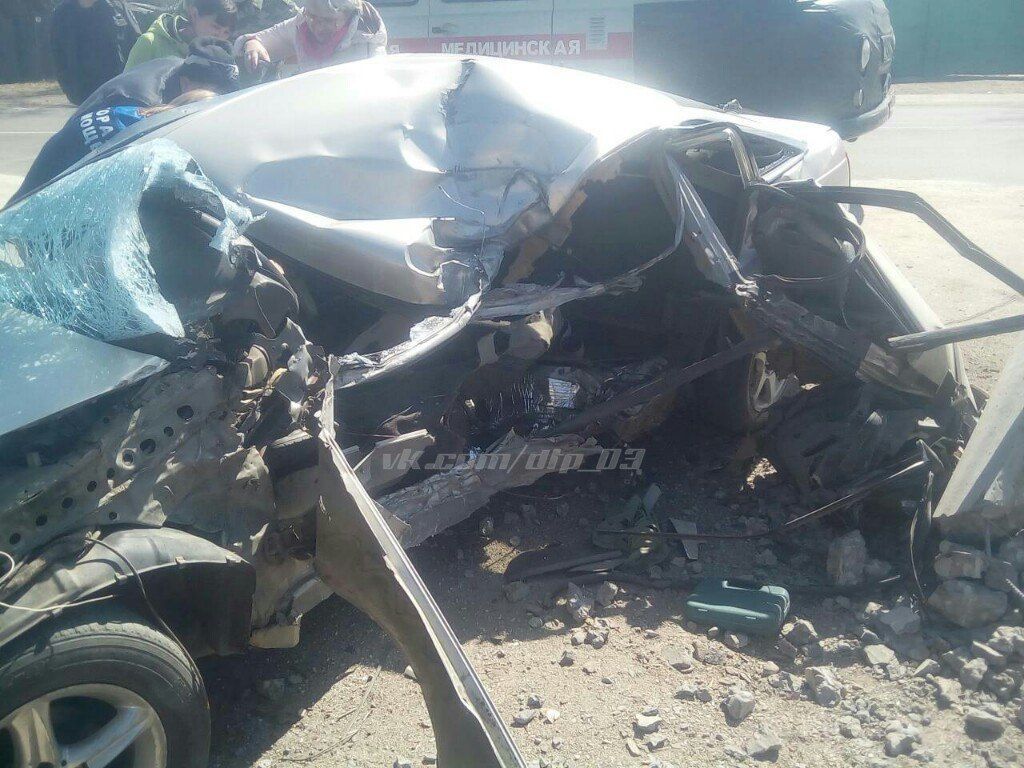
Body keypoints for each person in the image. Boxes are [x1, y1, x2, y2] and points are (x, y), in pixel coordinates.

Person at [11, 38, 240, 204]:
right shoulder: (142, 104)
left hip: (73, 157)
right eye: (215, 95)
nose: (212, 103)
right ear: (188, 83)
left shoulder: (178, 66)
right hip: (60, 179)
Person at [234, 0, 386, 75]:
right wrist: (253, 44)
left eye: (328, 21)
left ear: (348, 16)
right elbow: (261, 40)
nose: (318, 27)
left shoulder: (369, 45)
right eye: (313, 17)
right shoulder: (300, 24)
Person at [49, 0, 142, 104]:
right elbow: (57, 54)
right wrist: (69, 88)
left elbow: (137, 44)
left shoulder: (117, 7)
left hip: (120, 89)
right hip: (83, 94)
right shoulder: (62, 14)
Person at [124, 0, 238, 70]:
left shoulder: (222, 53)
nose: (220, 37)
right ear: (194, 14)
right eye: (215, 27)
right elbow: (125, 91)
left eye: (226, 32)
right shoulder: (150, 43)